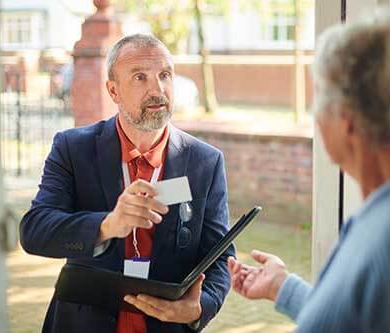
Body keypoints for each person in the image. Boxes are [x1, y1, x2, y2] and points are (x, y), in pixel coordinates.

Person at [20, 34, 234, 333]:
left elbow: (221, 253)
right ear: (113, 90)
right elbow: (34, 231)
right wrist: (107, 225)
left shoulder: (204, 161)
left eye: (164, 75)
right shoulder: (73, 148)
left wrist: (199, 307)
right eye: (139, 77)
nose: (157, 89)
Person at [228, 10, 390, 333]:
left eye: (319, 98)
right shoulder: (375, 215)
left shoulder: (383, 241)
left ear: (347, 119)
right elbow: (351, 318)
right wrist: (282, 287)